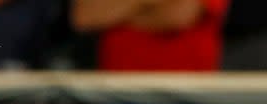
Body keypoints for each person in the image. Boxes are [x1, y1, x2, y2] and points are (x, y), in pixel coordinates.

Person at [69, 0, 227, 71]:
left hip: (188, 98)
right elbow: (84, 16)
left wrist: (118, 12)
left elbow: (179, 16)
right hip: (117, 94)